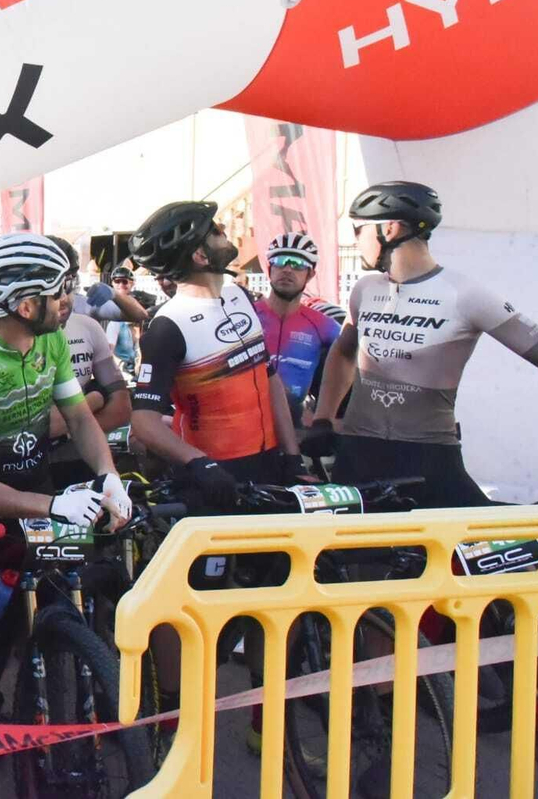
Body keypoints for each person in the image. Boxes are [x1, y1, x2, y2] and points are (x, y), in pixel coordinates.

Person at [0, 233, 129, 697]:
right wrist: (50, 505)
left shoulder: (49, 343)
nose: (69, 301)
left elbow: (78, 416)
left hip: (39, 490)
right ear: (27, 306)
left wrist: (107, 475)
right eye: (60, 292)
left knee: (53, 609)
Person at [126, 201, 303, 748]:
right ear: (200, 252)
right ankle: (174, 722)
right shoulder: (167, 326)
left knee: (276, 598)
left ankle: (264, 723)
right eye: (219, 232)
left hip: (268, 471)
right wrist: (198, 464)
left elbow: (268, 378)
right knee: (188, 606)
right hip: (211, 483)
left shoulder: (240, 296)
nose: (230, 236)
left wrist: (292, 453)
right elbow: (144, 424)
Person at [310, 182, 538, 508]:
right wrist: (323, 417)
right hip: (358, 453)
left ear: (388, 229)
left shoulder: (464, 293)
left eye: (358, 230)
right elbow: (344, 350)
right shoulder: (365, 289)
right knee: (352, 557)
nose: (355, 240)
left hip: (429, 457)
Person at [44, 237, 134, 487]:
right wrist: (95, 398)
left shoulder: (86, 322)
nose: (62, 297)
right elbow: (45, 427)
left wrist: (77, 431)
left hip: (78, 458)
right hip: (29, 471)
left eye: (67, 283)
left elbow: (122, 408)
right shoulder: (11, 340)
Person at [251, 233, 341, 429]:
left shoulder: (325, 325)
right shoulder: (247, 316)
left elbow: (349, 368)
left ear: (310, 274)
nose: (287, 269)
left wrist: (326, 417)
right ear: (269, 269)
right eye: (280, 261)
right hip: (247, 423)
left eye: (298, 264)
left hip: (295, 426)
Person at [107, 266, 140, 374]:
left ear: (132, 283)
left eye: (124, 281)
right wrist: (123, 366)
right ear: (112, 283)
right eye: (117, 281)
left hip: (138, 368)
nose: (121, 285)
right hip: (122, 372)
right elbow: (108, 352)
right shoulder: (115, 321)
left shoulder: (137, 304)